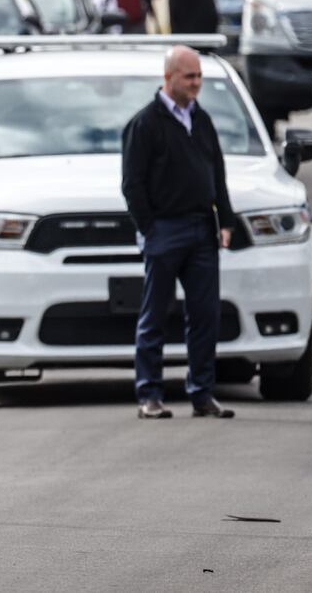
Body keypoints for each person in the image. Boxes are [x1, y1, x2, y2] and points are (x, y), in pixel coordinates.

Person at [120, 45, 238, 420]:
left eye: (200, 76)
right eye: (190, 77)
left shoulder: (201, 120)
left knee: (205, 315)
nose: (197, 83)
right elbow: (132, 184)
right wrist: (149, 228)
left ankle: (202, 393)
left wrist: (225, 220)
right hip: (165, 230)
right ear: (168, 77)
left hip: (202, 229)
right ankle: (149, 394)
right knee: (155, 315)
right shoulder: (145, 124)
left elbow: (216, 172)